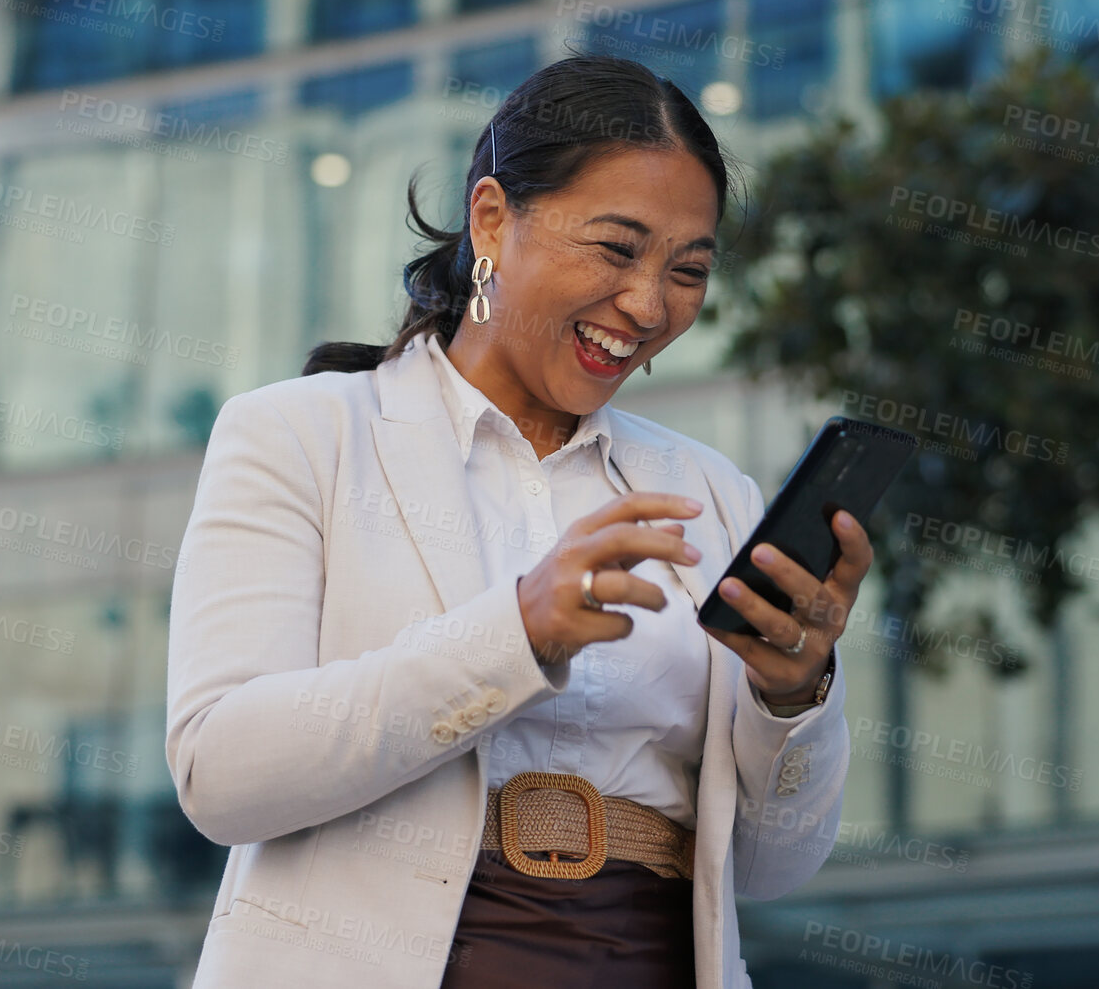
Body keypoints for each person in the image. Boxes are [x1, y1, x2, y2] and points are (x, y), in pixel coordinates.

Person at [166, 53, 868, 989]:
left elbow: (773, 867)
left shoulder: (713, 493)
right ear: (492, 219)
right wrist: (518, 630)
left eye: (688, 270)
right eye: (616, 249)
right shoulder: (302, 436)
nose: (648, 305)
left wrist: (794, 695)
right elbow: (222, 772)